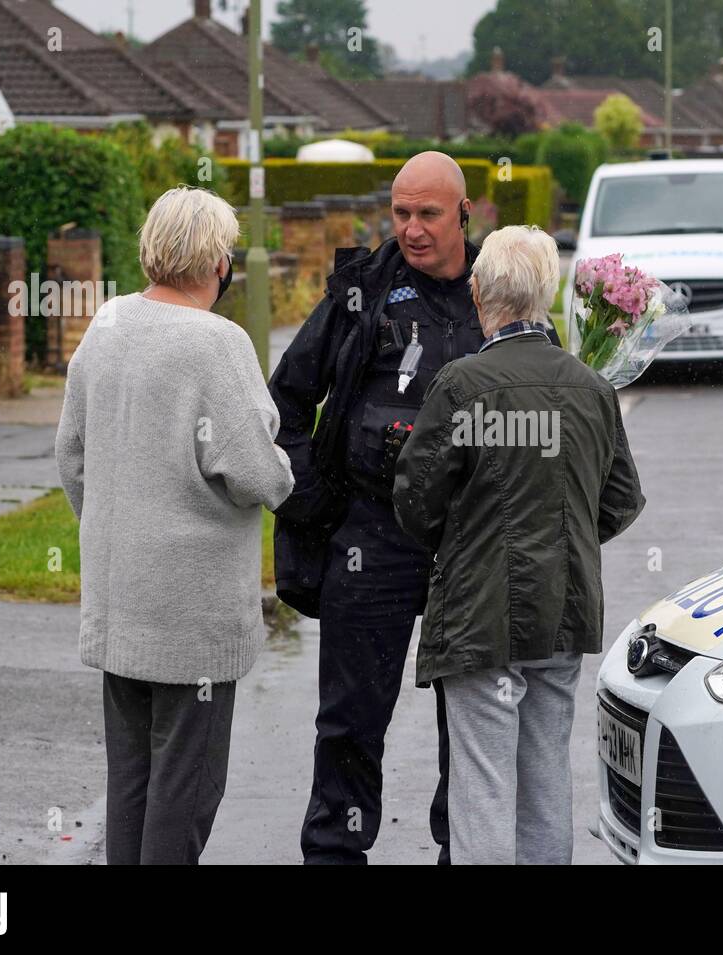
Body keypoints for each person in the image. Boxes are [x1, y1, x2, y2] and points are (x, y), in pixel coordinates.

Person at [270, 152, 513, 864]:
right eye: (400, 213)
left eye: (427, 214)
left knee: (469, 726)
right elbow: (284, 398)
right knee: (349, 722)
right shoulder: (363, 292)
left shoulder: (497, 291)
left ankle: (459, 853)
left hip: (468, 544)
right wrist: (315, 497)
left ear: (464, 214)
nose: (410, 229)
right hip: (370, 537)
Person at [54, 186, 294, 864]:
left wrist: (111, 524)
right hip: (192, 616)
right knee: (186, 789)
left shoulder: (105, 325)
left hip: (119, 595)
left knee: (130, 782)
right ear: (218, 261)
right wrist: (283, 464)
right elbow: (255, 472)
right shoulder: (217, 344)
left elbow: (70, 455)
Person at [391, 225, 645, 865]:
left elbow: (415, 500)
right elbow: (617, 501)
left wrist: (467, 541)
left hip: (481, 616)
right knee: (545, 783)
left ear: (478, 294)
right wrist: (562, 536)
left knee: (483, 791)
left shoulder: (461, 386)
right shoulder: (592, 388)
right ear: (547, 296)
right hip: (563, 611)